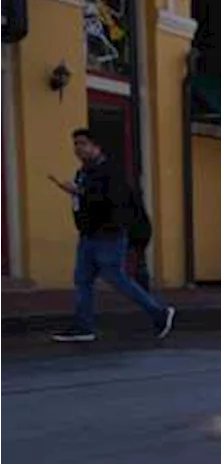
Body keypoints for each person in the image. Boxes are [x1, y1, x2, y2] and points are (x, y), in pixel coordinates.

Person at [48, 128, 175, 342]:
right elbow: (84, 203)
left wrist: (78, 193)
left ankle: (159, 313)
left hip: (109, 234)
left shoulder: (110, 171)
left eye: (83, 144)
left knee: (117, 278)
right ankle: (84, 326)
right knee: (82, 280)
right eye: (76, 144)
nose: (78, 149)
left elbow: (112, 201)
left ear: (96, 147)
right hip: (88, 234)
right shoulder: (83, 173)